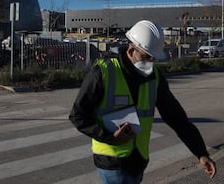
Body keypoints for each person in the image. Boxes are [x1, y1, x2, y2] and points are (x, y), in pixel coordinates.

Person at [69, 20, 216, 183]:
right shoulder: (104, 72)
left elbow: (177, 118)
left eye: (153, 58)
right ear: (131, 50)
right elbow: (78, 115)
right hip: (112, 163)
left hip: (138, 161)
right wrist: (110, 137)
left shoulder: (155, 77)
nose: (151, 63)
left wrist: (201, 153)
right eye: (147, 57)